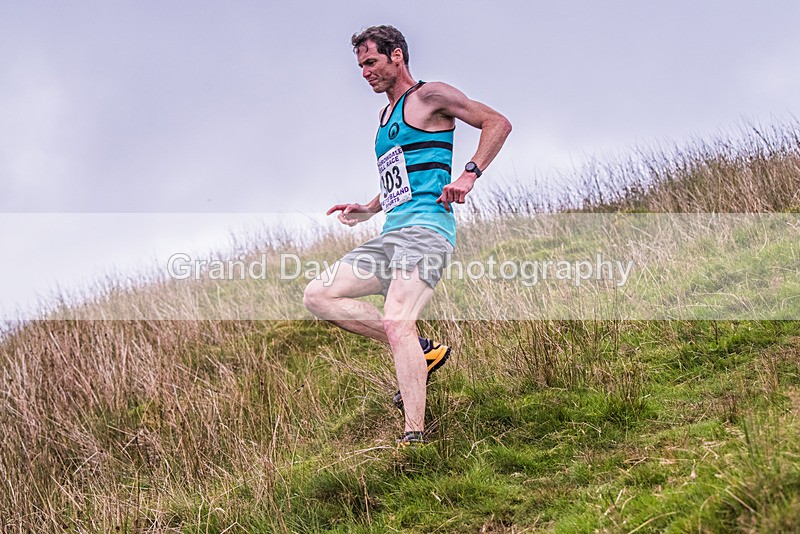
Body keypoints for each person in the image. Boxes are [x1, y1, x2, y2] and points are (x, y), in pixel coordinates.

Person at [303, 25, 511, 446]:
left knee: (398, 321)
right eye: (360, 65)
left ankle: (414, 437)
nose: (365, 72)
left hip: (427, 232)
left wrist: (469, 176)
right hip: (391, 234)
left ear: (396, 56)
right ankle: (423, 349)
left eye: (371, 62)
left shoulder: (430, 95)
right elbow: (402, 179)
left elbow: (497, 122)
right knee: (318, 295)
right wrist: (369, 208)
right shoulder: (384, 119)